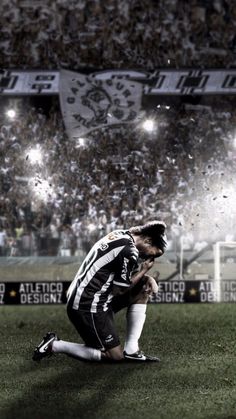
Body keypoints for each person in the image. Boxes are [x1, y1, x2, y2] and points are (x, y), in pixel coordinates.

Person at [33, 220, 167, 363]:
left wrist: (146, 278)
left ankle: (132, 350)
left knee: (142, 289)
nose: (150, 258)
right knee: (114, 356)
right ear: (147, 240)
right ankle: (55, 345)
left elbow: (121, 276)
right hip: (87, 304)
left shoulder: (121, 234)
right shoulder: (129, 251)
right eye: (153, 254)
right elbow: (120, 290)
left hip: (90, 297)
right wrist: (144, 270)